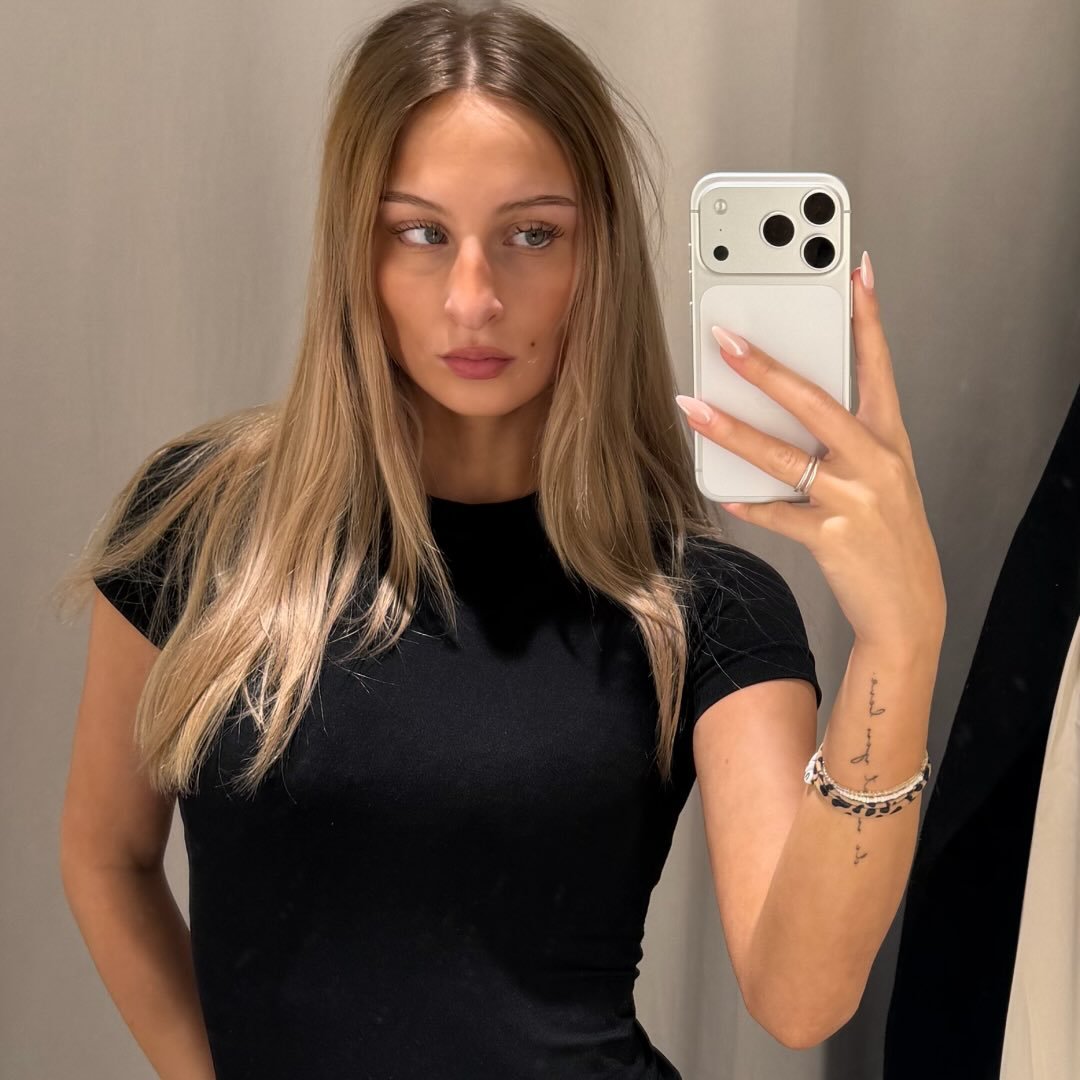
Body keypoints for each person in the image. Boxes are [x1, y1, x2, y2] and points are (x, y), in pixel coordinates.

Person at [56, 2, 943, 1077]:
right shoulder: (204, 522)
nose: (473, 299)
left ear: (596, 254)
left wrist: (900, 646)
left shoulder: (698, 606)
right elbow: (105, 854)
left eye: (533, 235)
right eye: (420, 233)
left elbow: (800, 1000)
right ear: (354, 247)